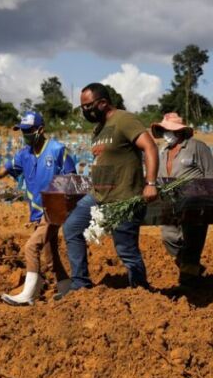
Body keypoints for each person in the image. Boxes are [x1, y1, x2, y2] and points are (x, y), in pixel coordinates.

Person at [0, 111, 76, 305]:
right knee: (50, 252)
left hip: (55, 208)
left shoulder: (57, 150)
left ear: (40, 130)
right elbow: (0, 171)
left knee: (31, 247)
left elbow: (72, 178)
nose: (25, 135)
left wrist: (61, 203)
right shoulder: (23, 155)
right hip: (37, 211)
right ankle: (66, 288)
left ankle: (28, 295)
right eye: (22, 131)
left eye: (28, 131)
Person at [61, 82, 159, 294]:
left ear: (103, 103)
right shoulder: (98, 129)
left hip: (123, 197)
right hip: (97, 196)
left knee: (126, 249)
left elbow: (150, 146)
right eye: (82, 107)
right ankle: (80, 285)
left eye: (87, 106)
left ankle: (140, 292)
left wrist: (150, 183)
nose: (85, 111)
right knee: (71, 228)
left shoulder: (125, 120)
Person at [150, 112, 213, 287]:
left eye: (168, 130)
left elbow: (211, 175)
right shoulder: (163, 152)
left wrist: (208, 199)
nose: (166, 133)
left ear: (179, 131)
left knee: (192, 241)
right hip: (170, 204)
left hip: (195, 203)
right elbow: (158, 178)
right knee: (168, 236)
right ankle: (191, 268)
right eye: (163, 130)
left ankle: (189, 284)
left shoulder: (197, 147)